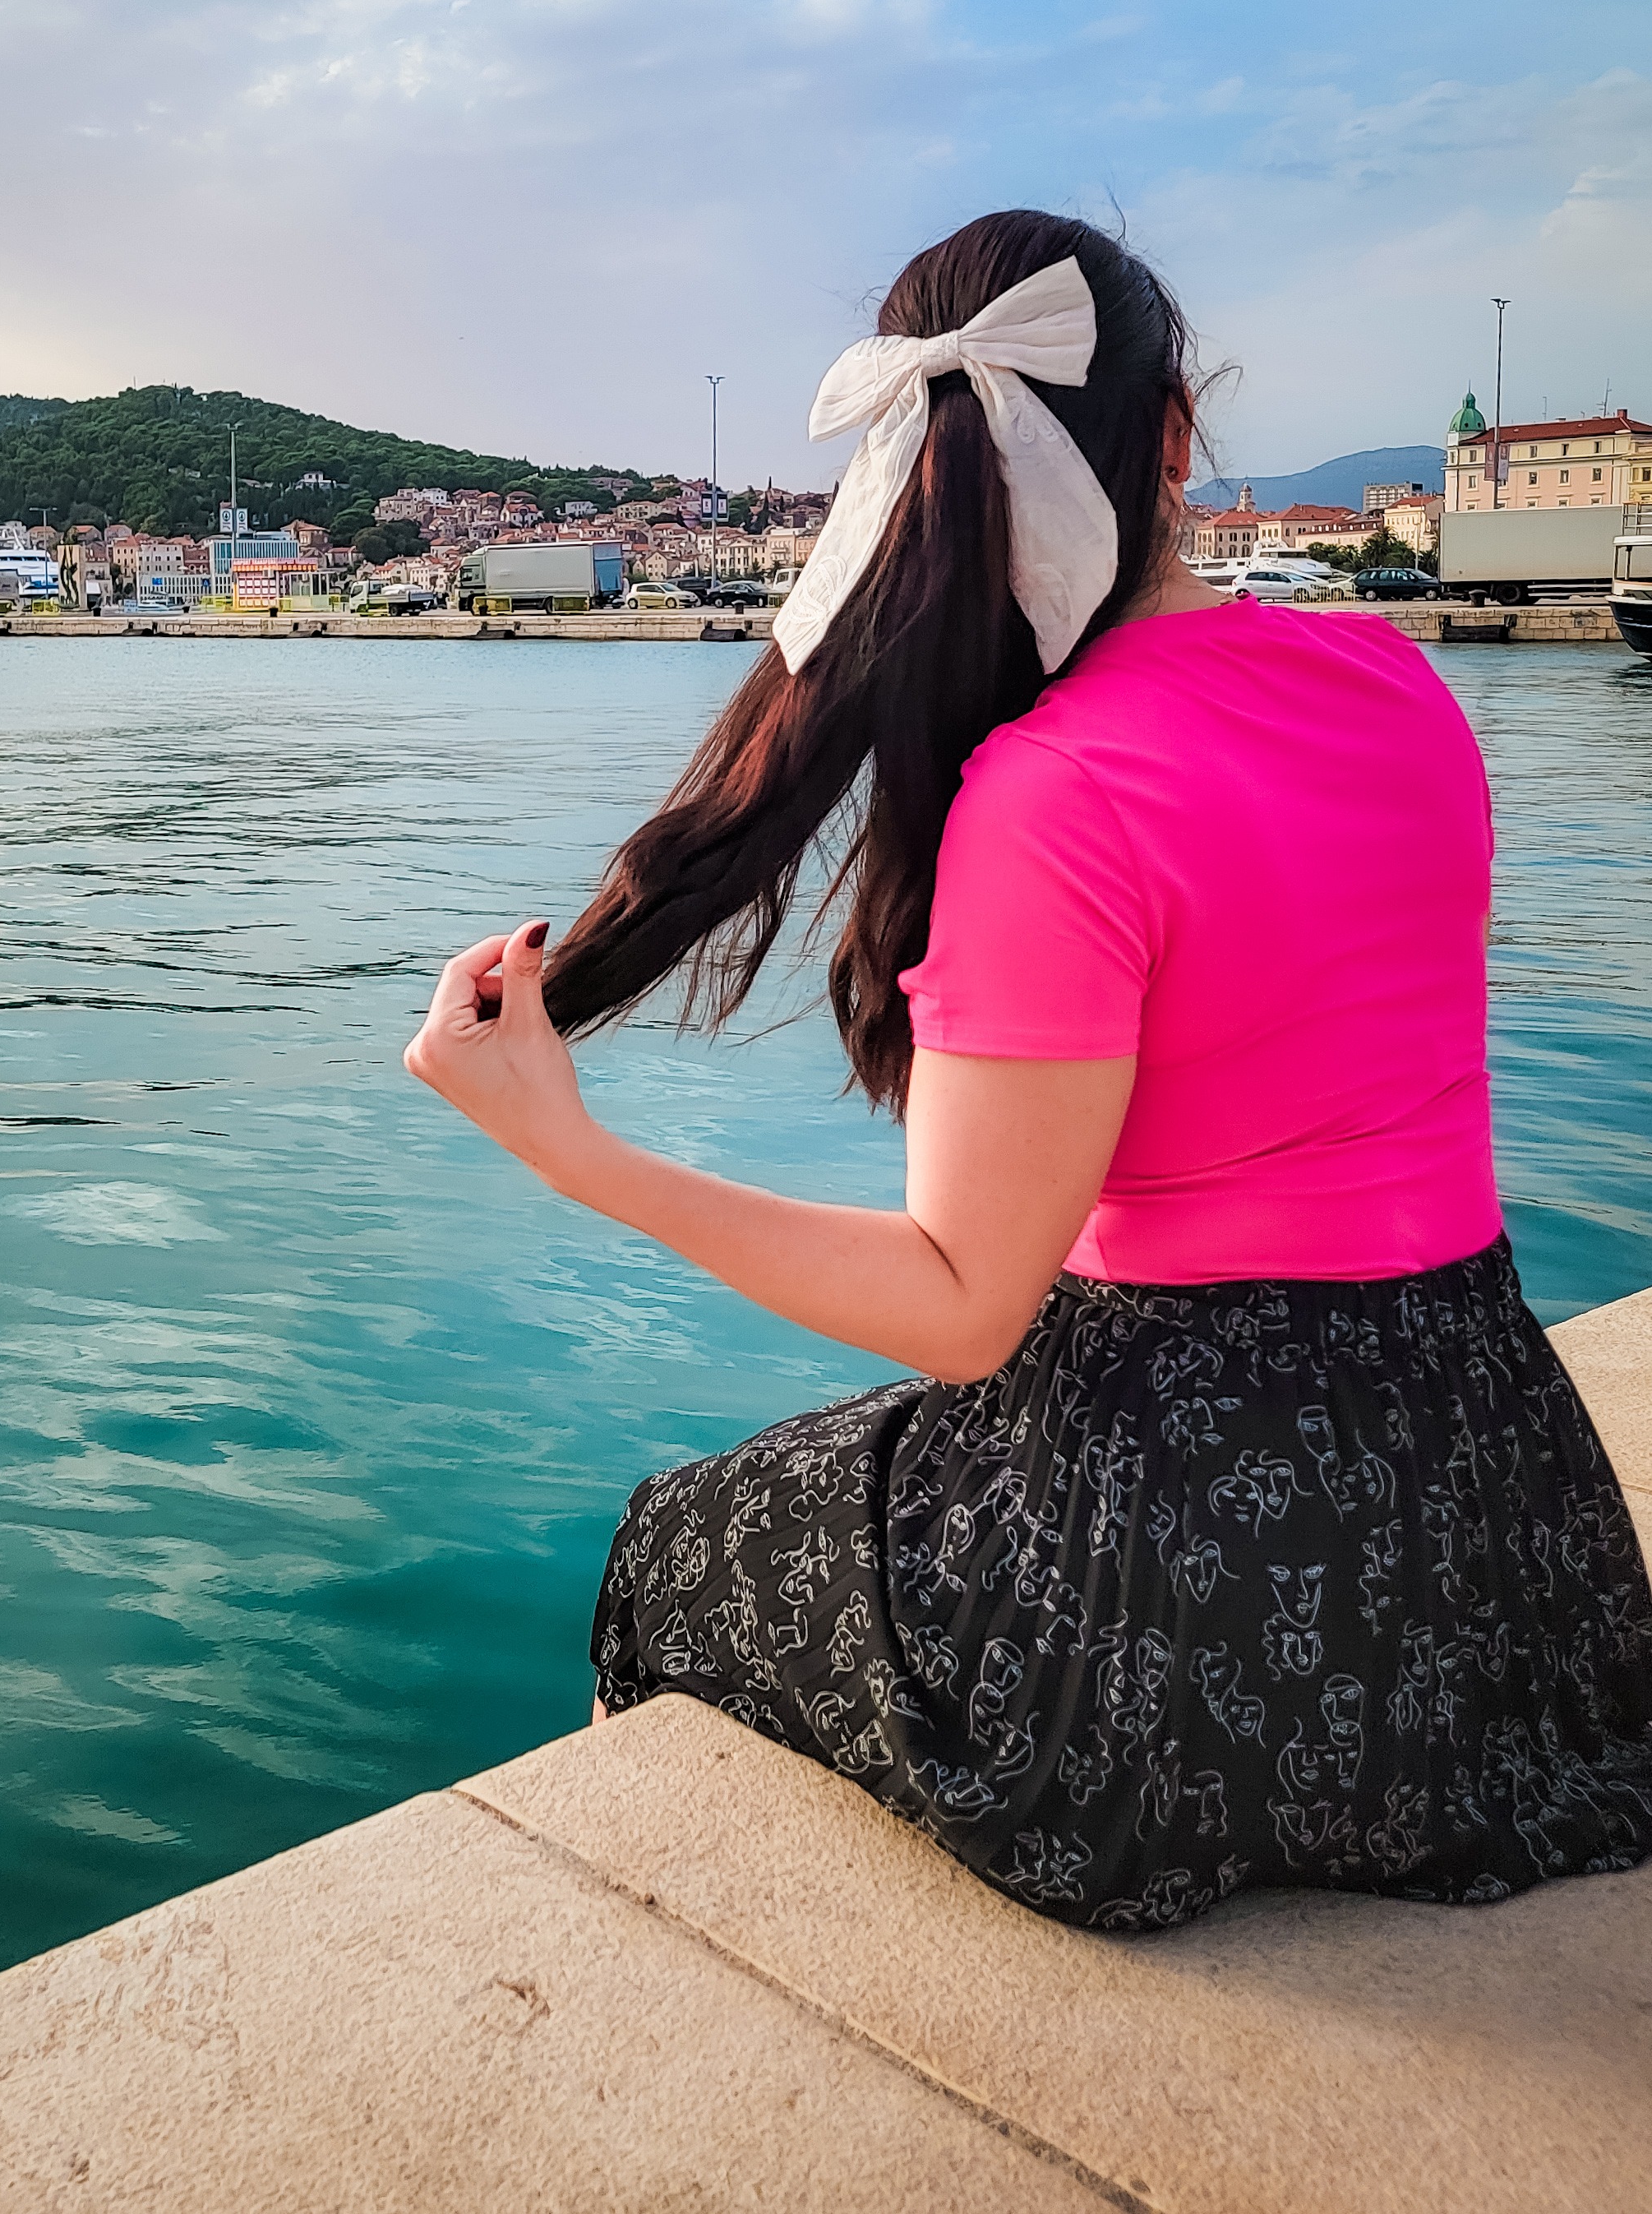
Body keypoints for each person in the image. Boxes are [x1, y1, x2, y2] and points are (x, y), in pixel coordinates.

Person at [404, 209, 1652, 1931]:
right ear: (1176, 434)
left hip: (1180, 1599)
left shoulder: (1056, 791)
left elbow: (964, 1309)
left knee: (680, 1537)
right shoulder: (1397, 683)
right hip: (1502, 1543)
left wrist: (581, 1156)